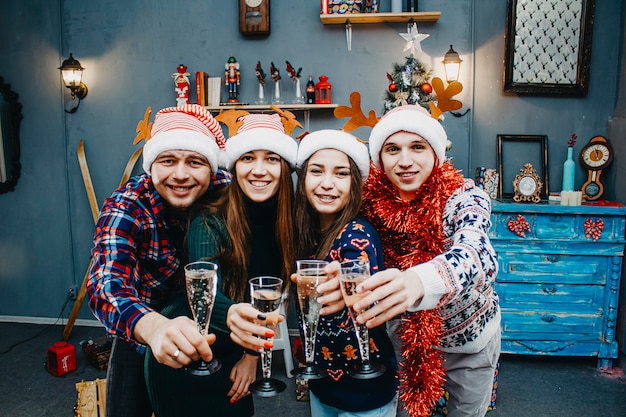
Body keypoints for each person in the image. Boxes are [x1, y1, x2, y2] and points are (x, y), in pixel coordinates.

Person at [352, 105, 501, 417]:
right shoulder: (369, 203)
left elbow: (480, 256)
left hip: (470, 338)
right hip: (405, 337)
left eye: (417, 147)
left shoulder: (464, 197)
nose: (405, 161)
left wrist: (419, 281)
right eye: (393, 149)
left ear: (435, 153)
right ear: (380, 159)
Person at [145, 112, 298, 416]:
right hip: (186, 347)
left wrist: (252, 355)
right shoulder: (209, 217)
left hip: (234, 350)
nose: (258, 170)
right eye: (247, 158)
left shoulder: (289, 221)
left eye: (271, 159)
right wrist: (238, 325)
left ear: (284, 167)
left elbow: (266, 299)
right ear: (234, 166)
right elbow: (205, 295)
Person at [86, 104, 231, 417]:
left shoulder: (228, 194)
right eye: (168, 161)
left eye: (194, 162)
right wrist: (152, 328)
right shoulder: (128, 204)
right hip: (142, 330)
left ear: (212, 168)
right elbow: (105, 284)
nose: (180, 174)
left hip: (214, 329)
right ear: (152, 165)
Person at [293, 129, 398, 416]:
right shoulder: (305, 232)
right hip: (323, 384)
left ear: (354, 185)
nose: (327, 183)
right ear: (303, 181)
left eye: (340, 174)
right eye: (317, 171)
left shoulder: (356, 233)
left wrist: (345, 290)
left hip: (365, 389)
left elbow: (362, 280)